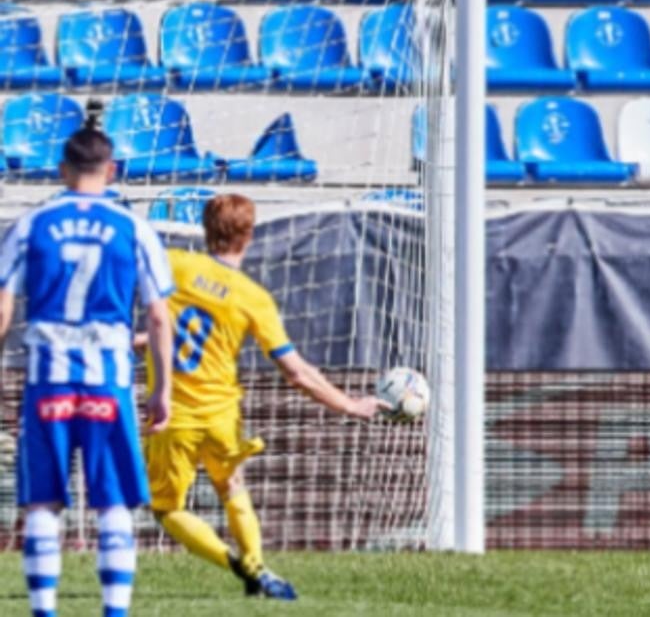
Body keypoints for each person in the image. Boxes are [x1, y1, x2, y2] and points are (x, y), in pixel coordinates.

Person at [139, 193, 387, 600]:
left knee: (168, 510)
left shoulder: (175, 264)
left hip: (175, 414)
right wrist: (349, 404)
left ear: (205, 228)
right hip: (221, 415)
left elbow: (166, 326)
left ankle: (238, 565)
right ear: (249, 236)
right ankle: (256, 565)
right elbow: (297, 372)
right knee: (232, 485)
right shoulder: (252, 297)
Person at [0, 100, 175, 617]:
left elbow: (3, 304)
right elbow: (160, 317)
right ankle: (114, 612)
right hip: (108, 382)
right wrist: (160, 387)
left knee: (43, 501)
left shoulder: (32, 225)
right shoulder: (134, 228)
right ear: (112, 169)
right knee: (113, 501)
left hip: (48, 381)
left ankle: (43, 611)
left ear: (61, 170)